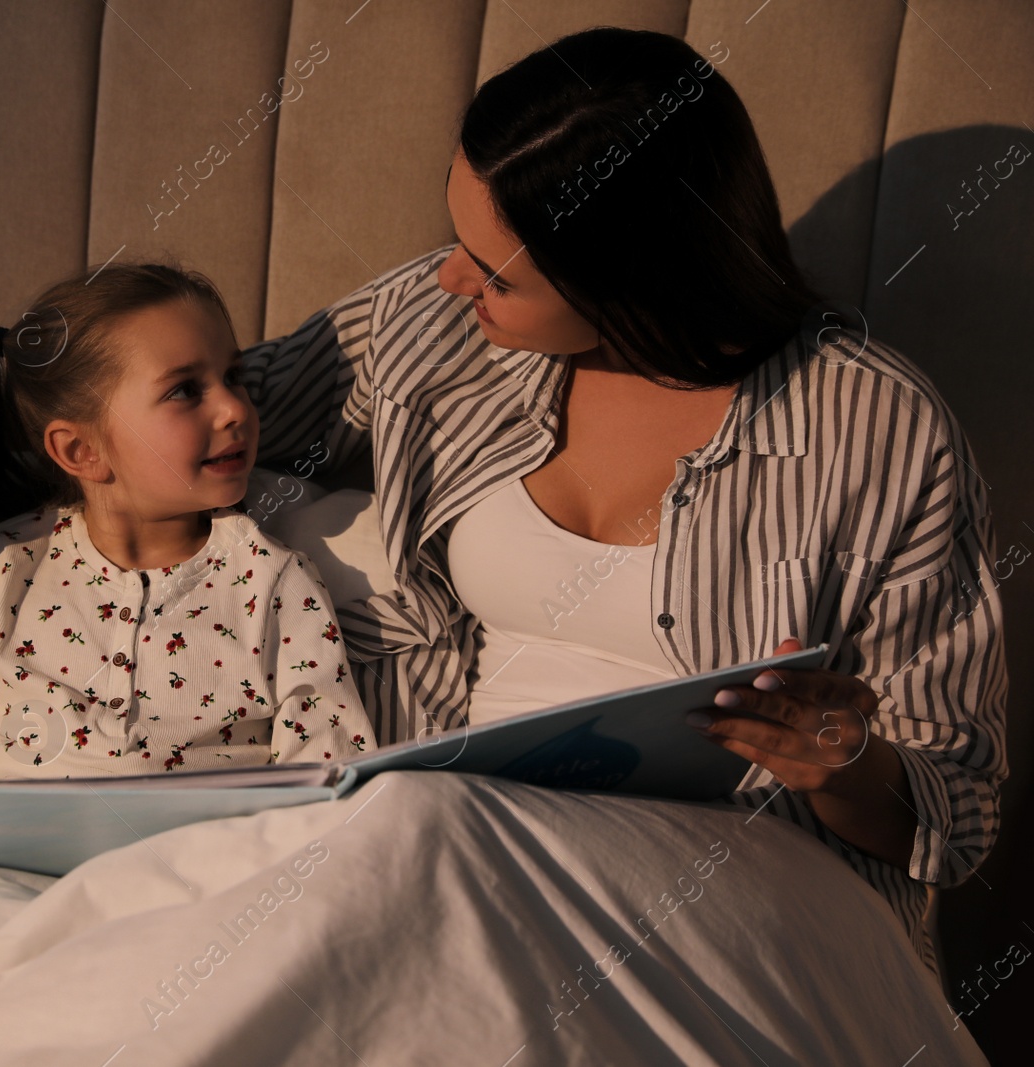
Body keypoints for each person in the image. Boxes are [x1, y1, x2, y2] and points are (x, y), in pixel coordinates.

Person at [240, 27, 1005, 961]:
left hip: (722, 884)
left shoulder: (878, 433)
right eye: (457, 239)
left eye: (497, 274)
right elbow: (179, 424)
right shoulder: (434, 328)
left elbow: (957, 813)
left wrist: (839, 760)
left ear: (634, 277)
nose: (450, 279)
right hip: (447, 831)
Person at [0, 264, 373, 780]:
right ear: (81, 450)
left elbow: (330, 771)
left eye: (234, 377)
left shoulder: (276, 582)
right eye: (185, 391)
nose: (233, 409)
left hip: (213, 851)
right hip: (14, 855)